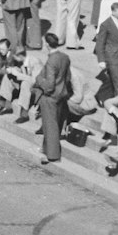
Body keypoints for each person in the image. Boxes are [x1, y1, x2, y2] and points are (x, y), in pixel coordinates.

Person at [31, 33, 72, 164]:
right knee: (53, 123)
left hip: (50, 97)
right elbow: (68, 77)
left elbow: (49, 86)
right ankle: (45, 149)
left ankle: (52, 155)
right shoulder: (65, 57)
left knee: (50, 125)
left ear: (47, 45)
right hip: (61, 94)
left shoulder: (51, 61)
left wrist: (38, 79)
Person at [95, 0, 118, 99]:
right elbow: (100, 43)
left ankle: (100, 96)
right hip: (112, 57)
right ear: (113, 12)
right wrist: (101, 60)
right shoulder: (105, 25)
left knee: (113, 79)